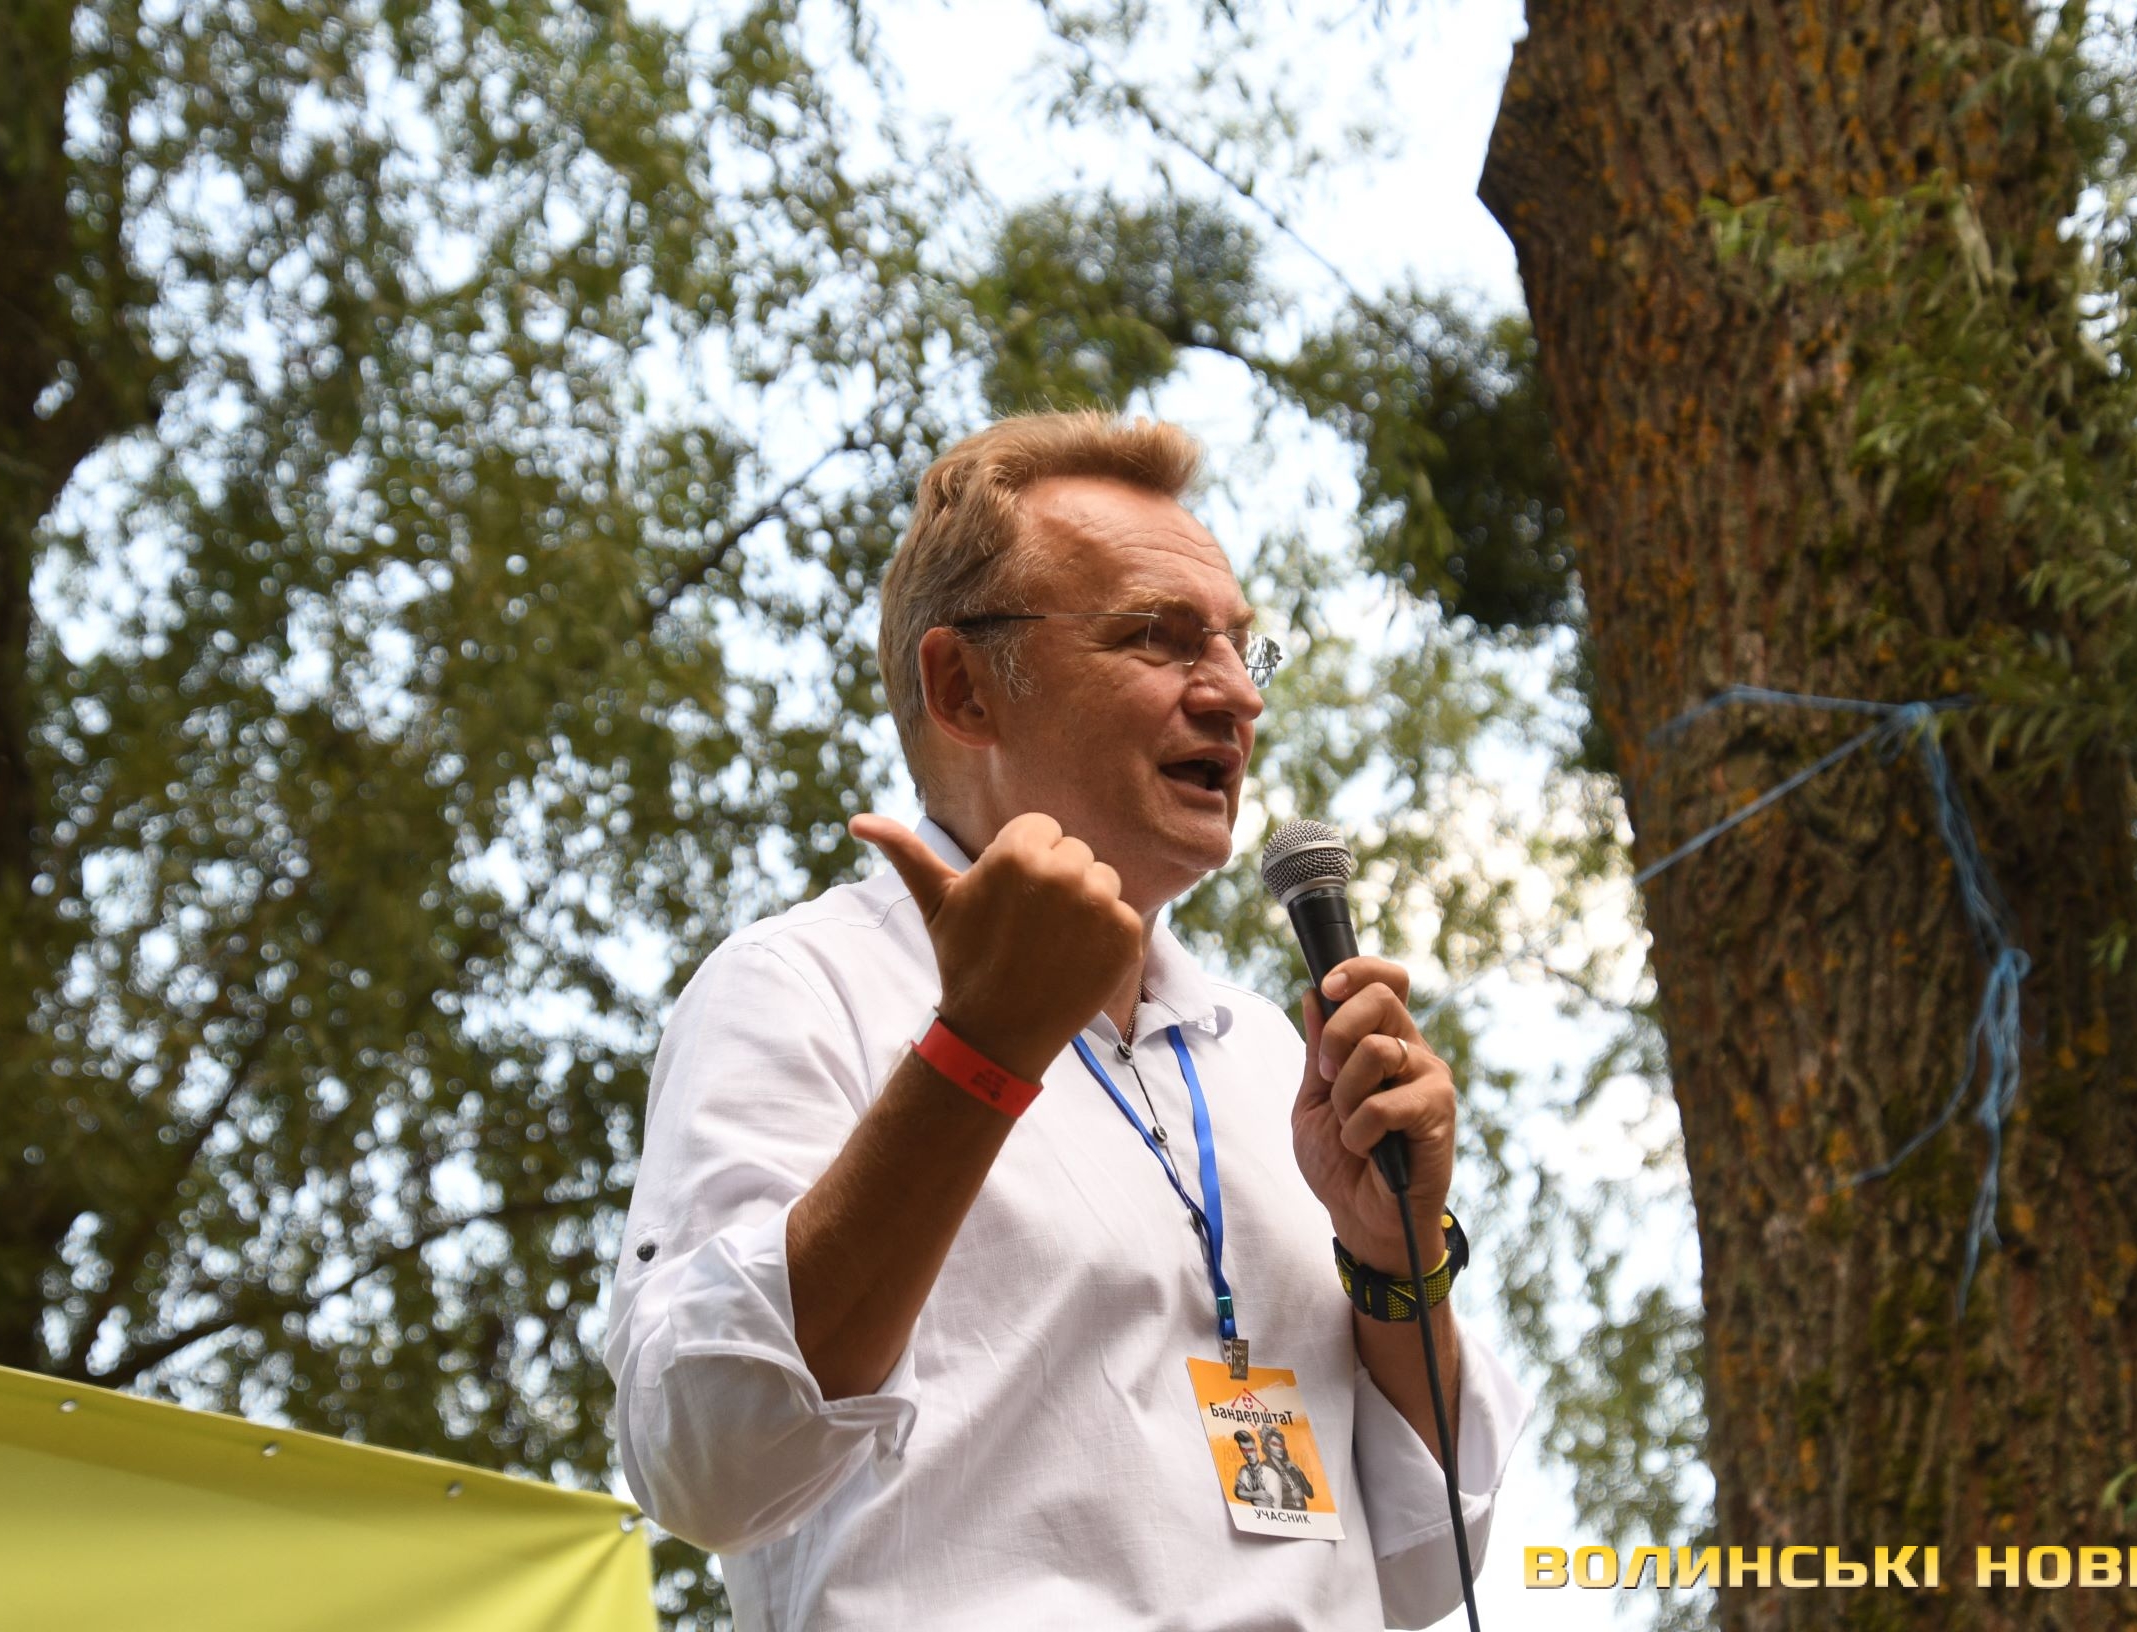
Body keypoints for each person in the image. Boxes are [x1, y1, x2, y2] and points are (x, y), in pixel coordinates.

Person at [605, 411, 1525, 1631]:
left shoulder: (1269, 1054)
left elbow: (1425, 1556)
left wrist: (1390, 1258)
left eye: (1242, 646)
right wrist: (977, 1053)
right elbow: (706, 1461)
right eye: (1157, 636)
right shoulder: (801, 984)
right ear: (964, 688)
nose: (1237, 695)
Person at [1260, 1424, 1317, 1513]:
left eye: (1281, 1445)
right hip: (1282, 1515)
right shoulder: (1264, 1468)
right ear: (1266, 1446)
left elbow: (1310, 1493)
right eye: (1274, 1444)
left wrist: (1299, 1472)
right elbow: (1264, 1497)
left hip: (1302, 1514)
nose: (1279, 1448)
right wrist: (1290, 1496)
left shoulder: (1290, 1467)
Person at [1233, 1430, 1283, 1509]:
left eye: (1250, 1450)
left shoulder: (1270, 1473)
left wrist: (1247, 1495)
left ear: (1256, 1449)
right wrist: (1256, 1495)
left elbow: (1271, 1505)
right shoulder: (1243, 1470)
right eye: (1244, 1450)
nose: (1248, 1454)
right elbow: (1237, 1492)